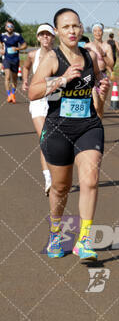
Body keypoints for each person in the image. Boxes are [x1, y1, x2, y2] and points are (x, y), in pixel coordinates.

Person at [29, 8, 110, 261]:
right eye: (66, 27)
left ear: (81, 27)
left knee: (91, 179)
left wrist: (102, 89)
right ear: (57, 32)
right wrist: (61, 80)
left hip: (88, 126)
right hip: (58, 129)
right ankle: (56, 232)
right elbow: (33, 92)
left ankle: (83, 241)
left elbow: (97, 99)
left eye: (75, 25)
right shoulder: (53, 59)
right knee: (61, 187)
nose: (72, 31)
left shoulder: (90, 57)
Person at [22, 23, 56, 195]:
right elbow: (26, 66)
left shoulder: (59, 56)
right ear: (37, 37)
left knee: (58, 142)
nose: (45, 37)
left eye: (48, 34)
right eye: (41, 34)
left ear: (53, 37)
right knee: (45, 138)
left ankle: (58, 174)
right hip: (38, 103)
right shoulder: (32, 55)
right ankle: (48, 179)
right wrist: (25, 80)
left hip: (56, 102)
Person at [1, 21, 27, 103]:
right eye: (8, 26)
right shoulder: (2, 35)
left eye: (11, 26)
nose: (9, 27)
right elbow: (0, 42)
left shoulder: (17, 36)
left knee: (14, 79)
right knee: (7, 76)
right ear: (5, 27)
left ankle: (13, 94)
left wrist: (18, 49)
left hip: (15, 60)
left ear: (13, 27)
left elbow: (25, 45)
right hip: (6, 59)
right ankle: (9, 95)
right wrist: (1, 48)